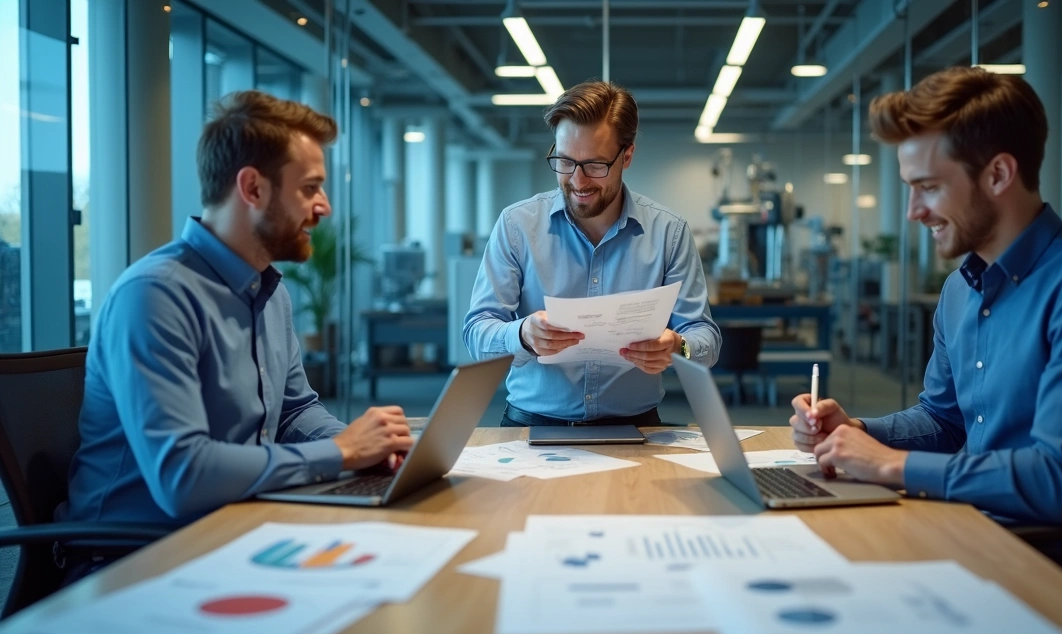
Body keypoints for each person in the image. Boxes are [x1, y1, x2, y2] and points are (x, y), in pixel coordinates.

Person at [788, 67, 1062, 630]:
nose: (913, 211)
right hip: (978, 527)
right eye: (910, 188)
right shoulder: (961, 288)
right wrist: (862, 431)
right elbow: (945, 420)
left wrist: (893, 466)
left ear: (998, 174)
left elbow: (1057, 480)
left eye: (929, 186)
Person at [55, 91, 414, 581]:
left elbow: (294, 410)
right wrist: (341, 452)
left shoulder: (269, 289)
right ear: (253, 188)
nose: (324, 207)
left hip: (237, 526)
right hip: (133, 559)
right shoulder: (155, 295)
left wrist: (369, 448)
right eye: (310, 188)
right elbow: (184, 475)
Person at [464, 80, 721, 427]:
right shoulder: (517, 226)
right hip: (530, 427)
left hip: (636, 428)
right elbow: (476, 334)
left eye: (595, 165)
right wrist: (522, 334)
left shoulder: (668, 232)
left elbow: (704, 338)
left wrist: (679, 348)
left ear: (627, 156)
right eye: (565, 162)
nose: (578, 181)